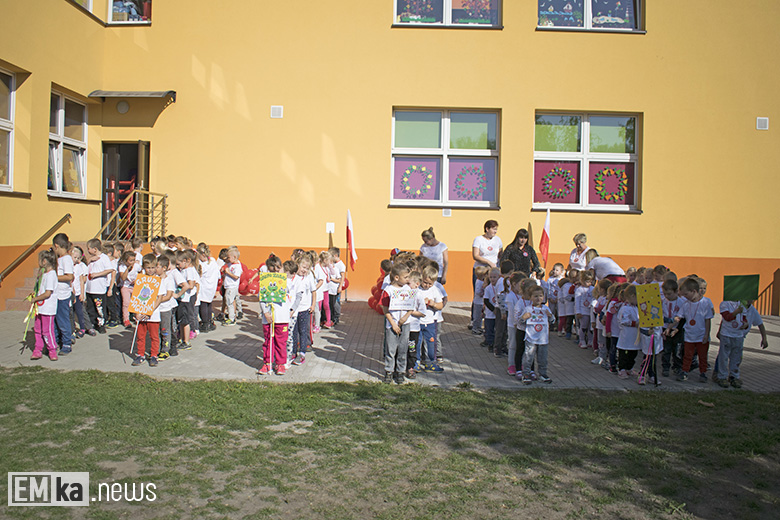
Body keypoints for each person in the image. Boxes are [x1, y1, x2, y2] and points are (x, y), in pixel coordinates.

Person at [716, 299, 769, 388]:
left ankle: (734, 376)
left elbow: (747, 320)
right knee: (723, 356)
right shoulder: (725, 304)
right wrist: (736, 312)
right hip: (727, 335)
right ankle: (721, 376)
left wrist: (746, 325)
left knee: (736, 357)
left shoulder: (747, 308)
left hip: (738, 336)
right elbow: (727, 318)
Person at [379, 263, 418, 384]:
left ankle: (400, 372)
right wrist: (394, 323)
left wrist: (404, 319)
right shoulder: (388, 290)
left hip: (405, 324)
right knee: (391, 350)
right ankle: (389, 371)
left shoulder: (408, 289)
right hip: (392, 325)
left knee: (403, 349)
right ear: (396, 277)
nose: (408, 280)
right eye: (406, 277)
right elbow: (385, 308)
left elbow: (411, 306)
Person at [132, 254, 172, 367]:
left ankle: (154, 355)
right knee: (140, 336)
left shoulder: (158, 281)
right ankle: (140, 354)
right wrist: (137, 312)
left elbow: (159, 297)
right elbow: (135, 296)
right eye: (148, 267)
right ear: (144, 267)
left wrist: (149, 310)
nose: (150, 270)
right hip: (141, 314)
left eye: (153, 267)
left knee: (154, 336)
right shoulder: (140, 280)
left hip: (153, 315)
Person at [673, 277, 714, 382]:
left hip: (701, 336)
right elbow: (679, 316)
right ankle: (685, 371)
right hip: (689, 335)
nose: (685, 297)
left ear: (694, 291)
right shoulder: (686, 304)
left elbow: (707, 320)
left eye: (686, 294)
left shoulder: (705, 303)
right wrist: (673, 323)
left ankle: (703, 373)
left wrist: (706, 334)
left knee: (702, 356)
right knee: (687, 355)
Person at [257, 259, 292, 376]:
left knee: (281, 342)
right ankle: (267, 363)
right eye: (272, 268)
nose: (275, 271)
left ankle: (280, 363)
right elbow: (261, 297)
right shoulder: (264, 281)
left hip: (281, 318)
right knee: (268, 341)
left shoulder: (286, 281)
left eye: (278, 268)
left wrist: (281, 280)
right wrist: (265, 312)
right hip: (268, 318)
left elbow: (290, 291)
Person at [519, 285, 555, 384]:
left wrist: (550, 316)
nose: (538, 298)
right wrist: (523, 318)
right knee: (528, 357)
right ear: (530, 298)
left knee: (542, 358)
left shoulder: (545, 309)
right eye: (535, 296)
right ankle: (526, 374)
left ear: (543, 297)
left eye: (540, 296)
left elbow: (552, 321)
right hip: (531, 338)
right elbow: (520, 322)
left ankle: (543, 374)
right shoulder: (528, 309)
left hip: (543, 339)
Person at [29, 250, 59, 361]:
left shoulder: (51, 275)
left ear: (45, 261)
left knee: (47, 330)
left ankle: (52, 349)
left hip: (48, 308)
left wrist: (36, 299)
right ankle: (38, 349)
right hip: (40, 308)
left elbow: (47, 293)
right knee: (38, 329)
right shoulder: (43, 274)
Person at [291, 256, 316, 366]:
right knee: (293, 331)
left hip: (304, 309)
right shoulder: (293, 277)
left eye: (307, 268)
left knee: (303, 331)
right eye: (303, 267)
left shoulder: (308, 278)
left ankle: (302, 353)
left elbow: (313, 291)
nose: (304, 270)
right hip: (294, 310)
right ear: (298, 265)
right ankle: (293, 352)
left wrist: (313, 305)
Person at [418, 266, 444, 372]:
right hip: (418, 322)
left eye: (430, 283)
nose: (427, 285)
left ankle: (431, 362)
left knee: (430, 343)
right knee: (417, 343)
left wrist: (433, 303)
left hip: (430, 322)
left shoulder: (435, 290)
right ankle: (416, 362)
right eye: (425, 282)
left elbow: (440, 305)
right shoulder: (417, 289)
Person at [85, 238, 113, 335]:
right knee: (90, 308)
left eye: (89, 248)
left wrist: (97, 274)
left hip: (98, 289)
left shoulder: (104, 258)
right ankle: (92, 323)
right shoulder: (91, 259)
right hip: (89, 289)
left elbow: (109, 269)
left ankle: (101, 324)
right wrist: (89, 260)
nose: (88, 251)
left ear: (95, 249)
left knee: (99, 308)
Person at [52, 233, 74, 355]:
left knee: (62, 320)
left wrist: (54, 277)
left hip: (62, 295)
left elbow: (69, 276)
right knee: (54, 320)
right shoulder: (59, 259)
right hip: (55, 295)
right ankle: (55, 342)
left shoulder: (66, 259)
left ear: (56, 246)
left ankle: (66, 343)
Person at [616, 285, 642, 379]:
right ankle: (622, 369)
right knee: (623, 353)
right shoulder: (625, 308)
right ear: (632, 296)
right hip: (626, 335)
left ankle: (629, 368)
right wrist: (634, 323)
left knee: (633, 353)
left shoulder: (635, 307)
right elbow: (623, 321)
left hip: (634, 335)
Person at [156, 254, 178, 359]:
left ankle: (165, 349)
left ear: (164, 268)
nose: (155, 269)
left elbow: (168, 296)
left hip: (165, 309)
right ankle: (156, 348)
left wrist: (155, 301)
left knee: (165, 330)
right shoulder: (153, 280)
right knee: (156, 330)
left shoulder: (168, 280)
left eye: (157, 267)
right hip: (155, 310)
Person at [197, 243, 219, 332]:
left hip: (204, 287)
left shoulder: (203, 265)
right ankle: (210, 321)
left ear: (202, 255)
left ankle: (205, 323)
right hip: (212, 286)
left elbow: (200, 275)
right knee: (209, 304)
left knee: (203, 306)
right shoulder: (213, 261)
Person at [70, 245, 88, 339]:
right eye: (74, 257)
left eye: (78, 258)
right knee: (71, 313)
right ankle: (72, 329)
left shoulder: (79, 267)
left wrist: (82, 293)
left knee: (79, 311)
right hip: (70, 294)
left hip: (77, 294)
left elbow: (81, 280)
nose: (76, 259)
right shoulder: (68, 267)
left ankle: (82, 328)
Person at [222, 248, 242, 326]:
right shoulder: (231, 264)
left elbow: (236, 276)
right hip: (228, 286)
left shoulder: (237, 266)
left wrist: (228, 272)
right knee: (229, 301)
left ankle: (231, 319)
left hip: (232, 287)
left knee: (229, 302)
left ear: (234, 257)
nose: (227, 259)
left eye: (229, 257)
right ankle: (231, 316)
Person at [328, 247, 346, 326]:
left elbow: (342, 277)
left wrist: (340, 287)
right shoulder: (333, 264)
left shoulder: (341, 265)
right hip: (331, 287)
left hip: (336, 287)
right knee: (331, 303)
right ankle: (331, 317)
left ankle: (336, 317)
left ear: (335, 255)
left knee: (336, 303)